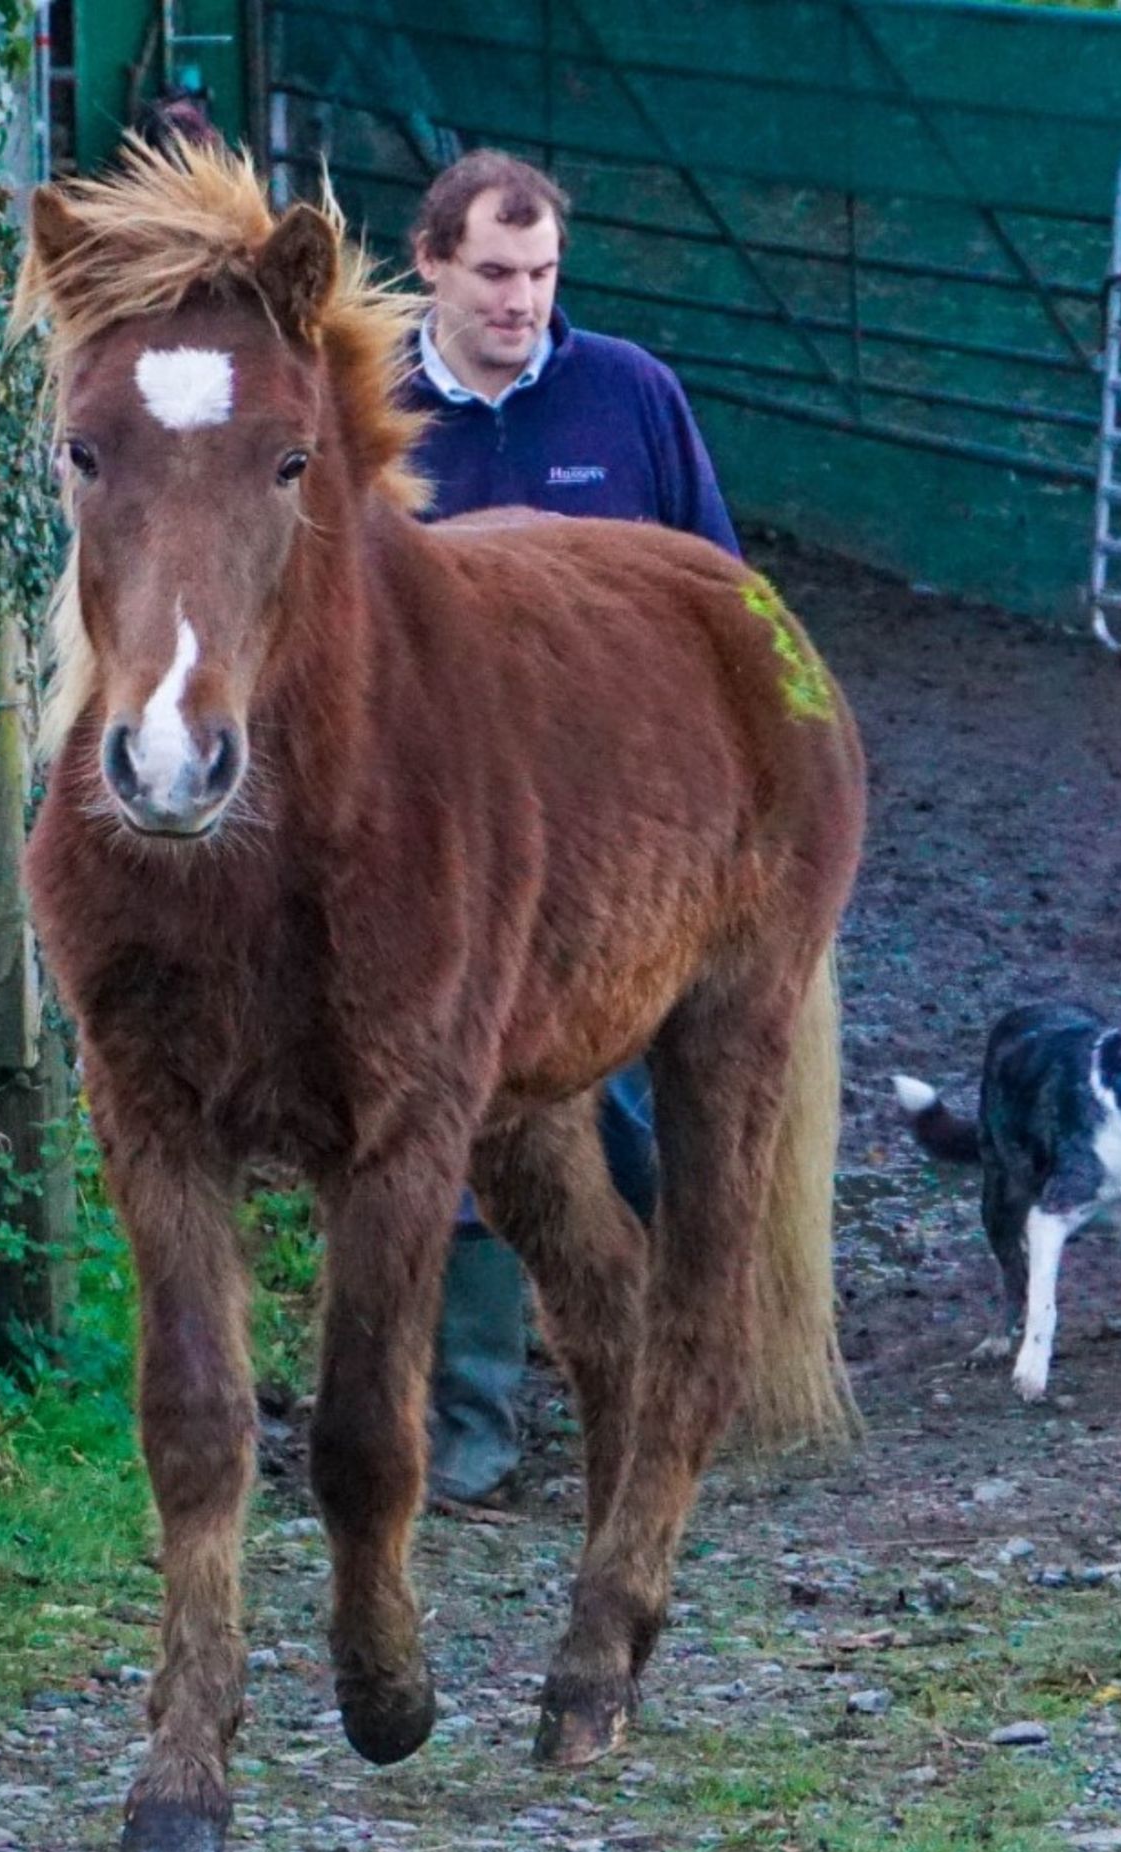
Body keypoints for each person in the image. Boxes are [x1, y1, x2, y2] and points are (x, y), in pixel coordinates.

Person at [401, 149, 741, 1505]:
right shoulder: (360, 410)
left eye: (540, 276)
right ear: (428, 262)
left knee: (668, 1087)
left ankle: (696, 1366)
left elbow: (720, 592)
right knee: (467, 1099)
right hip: (441, 830)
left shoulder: (632, 398)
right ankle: (470, 1417)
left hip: (621, 826)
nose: (519, 303)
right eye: (492, 273)